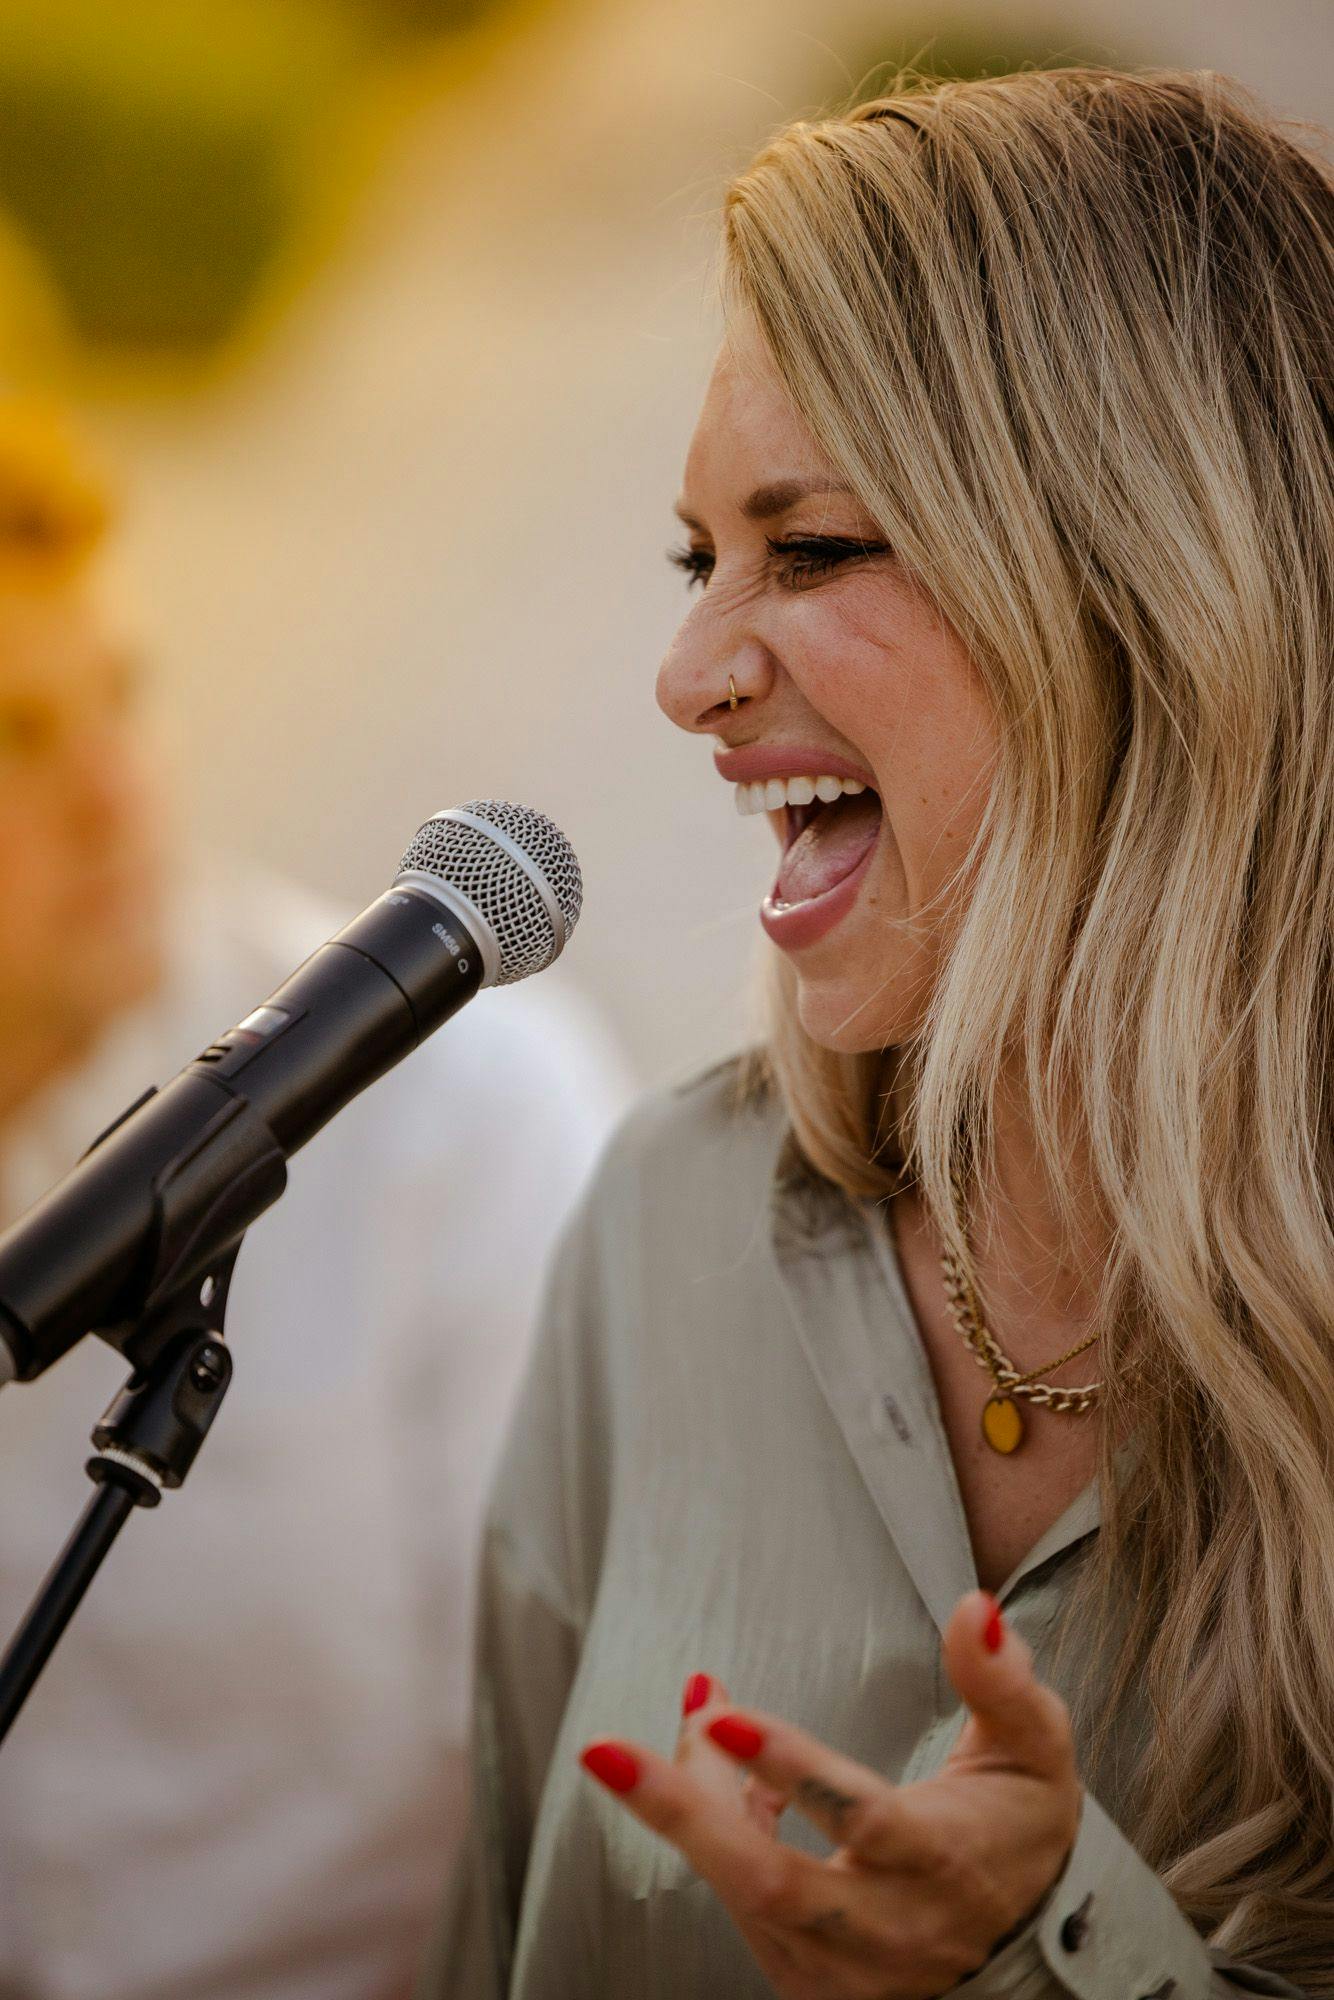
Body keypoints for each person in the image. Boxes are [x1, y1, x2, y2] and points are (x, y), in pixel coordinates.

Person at [420, 67, 1334, 2000]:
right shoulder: (666, 1218)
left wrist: (1051, 1950)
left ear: (1143, 598)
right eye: (698, 559)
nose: (689, 676)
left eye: (811, 549)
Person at [0, 403, 632, 2000]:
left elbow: (589, 1759)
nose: (113, 792)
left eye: (122, 700)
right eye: (13, 735)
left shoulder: (457, 1113)